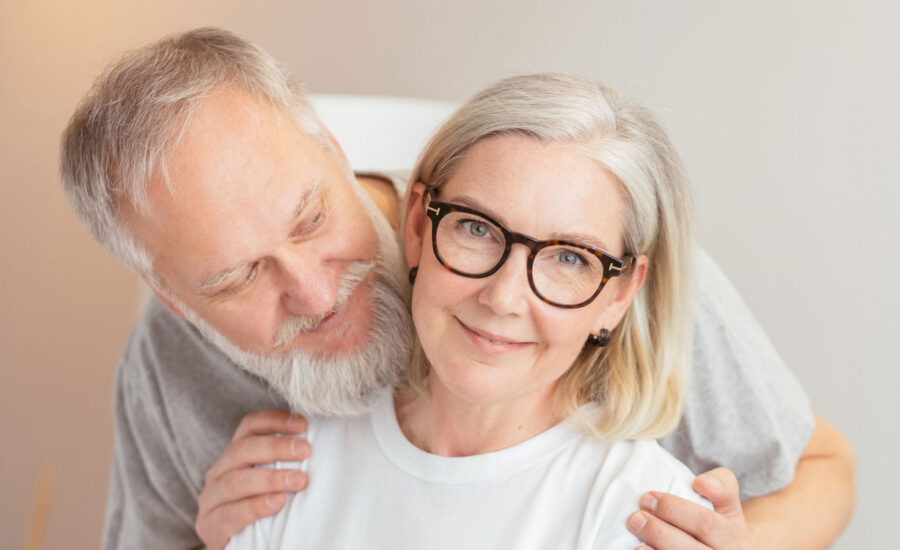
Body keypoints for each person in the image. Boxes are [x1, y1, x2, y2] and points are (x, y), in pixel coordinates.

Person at [58, 28, 855, 550]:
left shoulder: (580, 262)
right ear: (175, 299)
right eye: (236, 277)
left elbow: (825, 468)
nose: (312, 292)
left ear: (335, 154)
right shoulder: (171, 371)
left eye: (310, 220)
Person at [227, 71, 711, 549]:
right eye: (477, 229)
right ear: (417, 227)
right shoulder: (290, 467)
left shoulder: (644, 516)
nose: (502, 298)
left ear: (619, 295)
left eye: (569, 258)